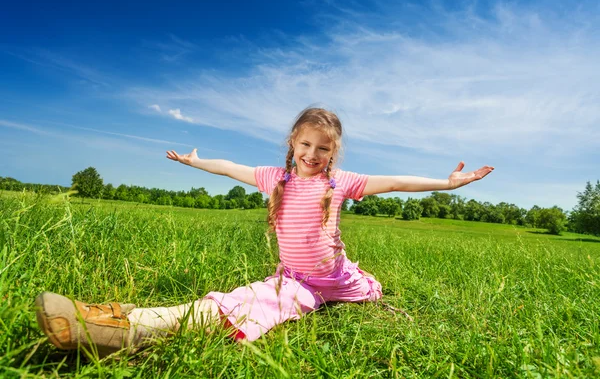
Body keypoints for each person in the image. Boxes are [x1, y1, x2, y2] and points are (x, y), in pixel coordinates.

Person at [35, 107, 494, 357]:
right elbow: (230, 167)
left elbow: (394, 182)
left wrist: (446, 183)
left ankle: (121, 323)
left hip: (340, 279)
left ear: (333, 153)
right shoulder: (276, 178)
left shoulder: (341, 182)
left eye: (323, 148)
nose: (312, 154)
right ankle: (129, 324)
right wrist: (196, 162)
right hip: (297, 280)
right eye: (306, 144)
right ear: (293, 143)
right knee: (247, 299)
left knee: (367, 288)